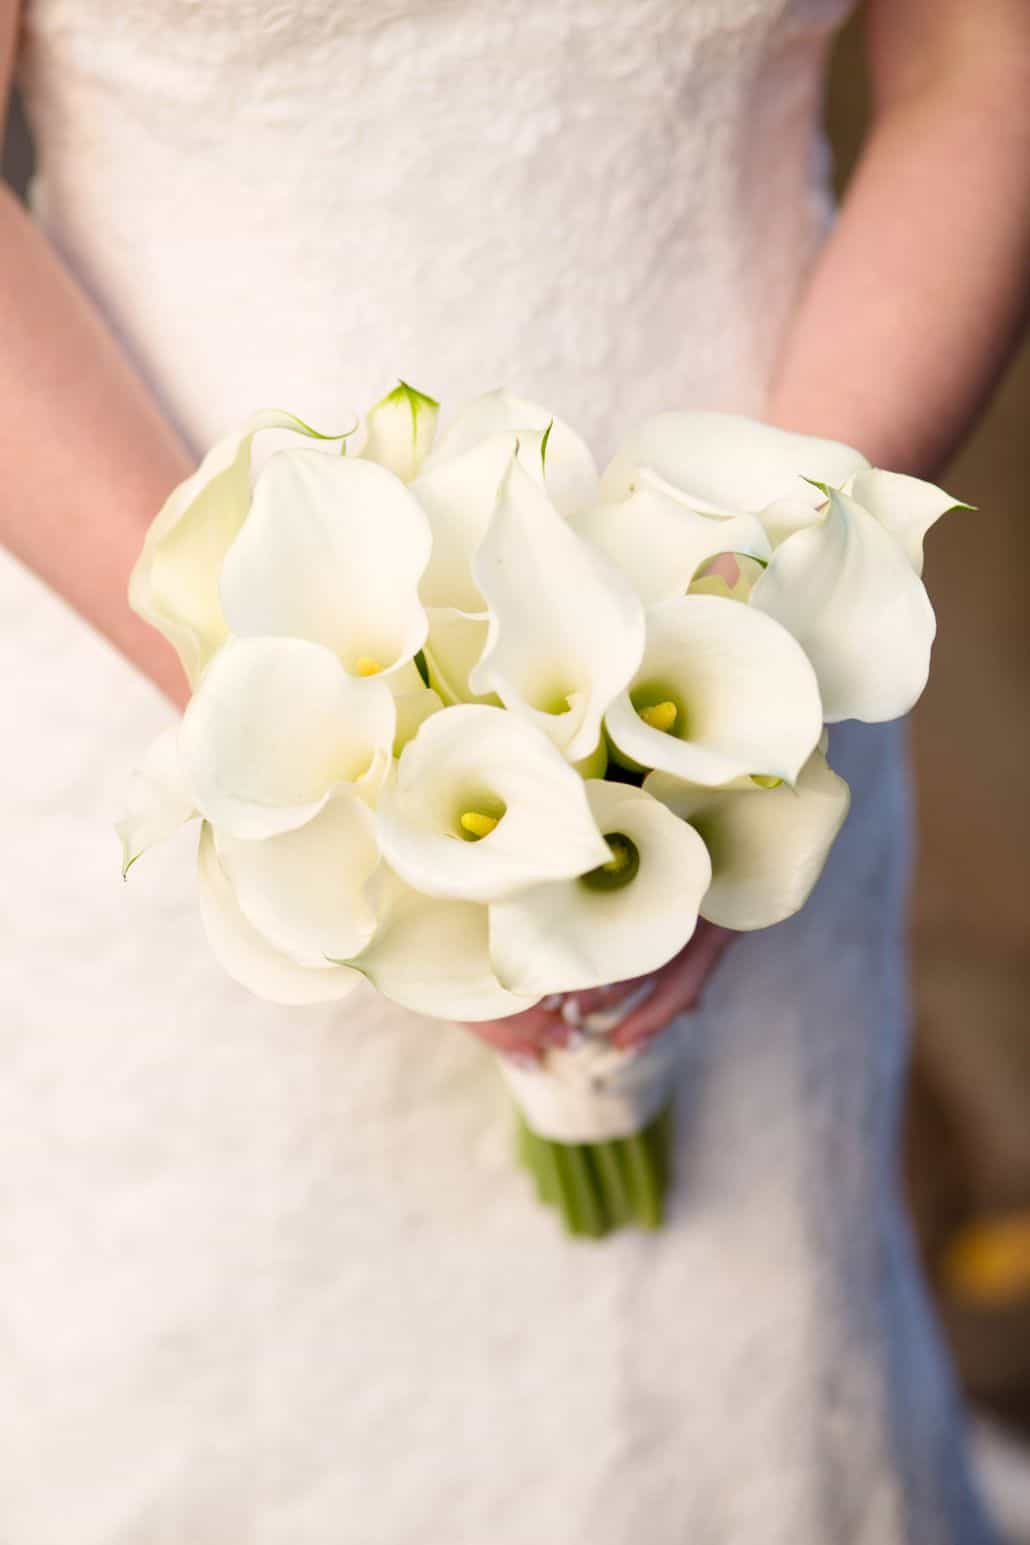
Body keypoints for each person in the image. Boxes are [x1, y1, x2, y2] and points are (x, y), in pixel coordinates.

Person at [1, 0, 1027, 1538]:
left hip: (755, 649)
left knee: (724, 1367)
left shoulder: (765, 655)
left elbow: (980, 59)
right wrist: (298, 752)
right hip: (172, 669)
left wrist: (768, 644)